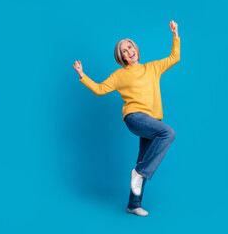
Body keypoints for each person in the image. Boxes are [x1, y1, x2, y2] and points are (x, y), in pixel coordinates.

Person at [73, 20, 180, 217]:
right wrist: (82, 74)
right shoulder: (119, 75)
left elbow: (174, 57)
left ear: (136, 49)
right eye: (124, 51)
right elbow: (99, 89)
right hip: (135, 117)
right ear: (121, 57)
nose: (128, 51)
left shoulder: (153, 68)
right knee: (168, 133)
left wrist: (175, 34)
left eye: (130, 47)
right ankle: (139, 173)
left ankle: (133, 204)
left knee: (143, 160)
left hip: (151, 122)